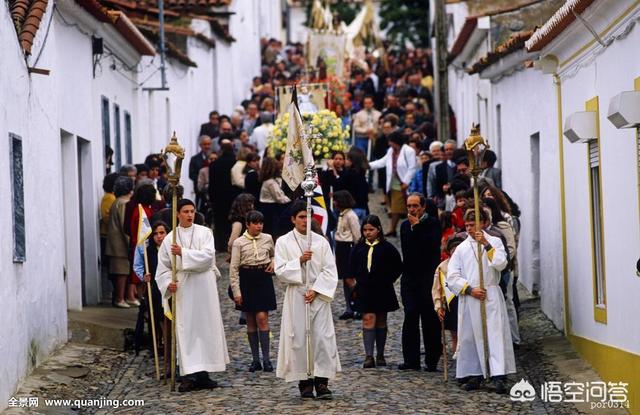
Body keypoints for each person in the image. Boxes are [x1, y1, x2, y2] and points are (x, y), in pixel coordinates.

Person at [155, 199, 229, 392]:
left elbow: (207, 257)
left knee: (205, 327)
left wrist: (183, 253)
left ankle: (204, 374)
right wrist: (167, 284)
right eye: (185, 211)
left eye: (192, 211)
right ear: (177, 214)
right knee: (187, 330)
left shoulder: (205, 233)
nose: (189, 215)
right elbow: (162, 269)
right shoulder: (170, 238)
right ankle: (188, 375)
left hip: (204, 286)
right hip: (184, 288)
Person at [274, 201, 341, 399]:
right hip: (296, 296)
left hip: (318, 297)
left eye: (308, 216)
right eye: (301, 217)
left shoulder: (321, 242)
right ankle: (305, 382)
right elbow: (280, 270)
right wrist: (299, 261)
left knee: (321, 338)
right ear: (293, 219)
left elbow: (330, 270)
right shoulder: (283, 242)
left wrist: (317, 290)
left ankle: (322, 382)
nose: (305, 220)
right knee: (300, 340)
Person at [446, 208, 515, 394]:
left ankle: (498, 374)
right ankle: (474, 373)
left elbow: (501, 263)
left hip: (490, 294)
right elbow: (451, 276)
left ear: (482, 223)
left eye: (473, 224)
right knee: (471, 336)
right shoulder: (461, 249)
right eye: (466, 225)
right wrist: (469, 289)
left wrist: (486, 244)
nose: (469, 229)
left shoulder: (494, 242)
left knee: (494, 334)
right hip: (471, 297)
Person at [350, 215, 402, 368]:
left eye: (371, 229)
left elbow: (397, 266)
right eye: (365, 230)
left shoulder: (387, 248)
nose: (368, 233)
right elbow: (352, 266)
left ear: (378, 229)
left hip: (382, 288)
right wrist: (356, 282)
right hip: (365, 289)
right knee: (368, 318)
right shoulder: (358, 248)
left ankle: (380, 354)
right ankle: (368, 355)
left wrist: (388, 280)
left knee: (380, 319)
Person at [399, 193, 442, 371]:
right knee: (410, 317)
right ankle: (411, 359)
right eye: (409, 206)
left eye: (415, 206)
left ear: (423, 207)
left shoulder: (432, 224)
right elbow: (409, 249)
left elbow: (429, 247)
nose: (412, 209)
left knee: (430, 320)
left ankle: (431, 360)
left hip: (428, 278)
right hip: (410, 278)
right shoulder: (404, 226)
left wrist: (417, 228)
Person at [229, 211, 277, 372]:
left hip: (263, 278)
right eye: (255, 223)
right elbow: (234, 268)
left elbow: (274, 254)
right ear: (248, 224)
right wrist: (236, 291)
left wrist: (273, 262)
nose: (259, 226)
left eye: (261, 223)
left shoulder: (268, 238)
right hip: (247, 278)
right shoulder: (239, 243)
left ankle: (266, 359)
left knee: (262, 318)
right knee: (250, 320)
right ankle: (255, 359)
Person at [369, 131, 418, 237]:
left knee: (408, 208)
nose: (389, 143)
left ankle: (406, 228)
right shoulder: (391, 151)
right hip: (394, 183)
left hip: (404, 183)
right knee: (395, 207)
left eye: (391, 141)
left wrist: (406, 181)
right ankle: (394, 229)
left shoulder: (408, 151)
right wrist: (368, 165)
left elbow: (412, 167)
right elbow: (383, 161)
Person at [132, 221, 168, 354]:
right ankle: (159, 346)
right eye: (155, 234)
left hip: (170, 288)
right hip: (155, 289)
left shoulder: (172, 248)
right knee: (157, 317)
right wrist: (143, 276)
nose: (159, 236)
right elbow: (138, 266)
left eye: (162, 233)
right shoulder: (147, 250)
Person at [105, 176, 134, 308]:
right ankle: (120, 298)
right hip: (120, 245)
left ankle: (125, 297)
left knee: (124, 272)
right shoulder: (123, 203)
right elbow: (124, 224)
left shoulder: (118, 201)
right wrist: (130, 242)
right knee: (122, 273)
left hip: (116, 243)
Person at [432, 236, 463, 359]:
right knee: (455, 335)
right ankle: (459, 360)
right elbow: (437, 289)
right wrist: (438, 305)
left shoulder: (468, 264)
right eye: (452, 250)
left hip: (465, 300)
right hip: (452, 303)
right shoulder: (443, 267)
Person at [333, 190, 361, 320]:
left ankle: (360, 305)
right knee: (345, 280)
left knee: (350, 280)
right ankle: (349, 308)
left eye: (336, 200)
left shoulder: (351, 215)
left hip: (348, 248)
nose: (334, 203)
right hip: (341, 248)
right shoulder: (341, 214)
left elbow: (357, 235)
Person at [210, 140, 237, 251]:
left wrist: (211, 198)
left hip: (218, 198)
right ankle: (232, 244)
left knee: (219, 222)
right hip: (232, 196)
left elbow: (212, 184)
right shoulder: (235, 162)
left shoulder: (214, 164)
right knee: (232, 221)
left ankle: (220, 244)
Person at [259, 157, 291, 237]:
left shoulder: (269, 181)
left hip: (267, 208)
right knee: (273, 230)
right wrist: (291, 200)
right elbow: (279, 198)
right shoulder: (270, 183)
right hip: (271, 209)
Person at [345, 149, 369, 223]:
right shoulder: (361, 173)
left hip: (354, 209)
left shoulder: (350, 174)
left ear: (353, 161)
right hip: (363, 208)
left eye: (348, 159)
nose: (345, 161)